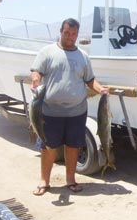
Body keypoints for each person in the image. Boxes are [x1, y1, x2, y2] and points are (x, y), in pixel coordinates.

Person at [30, 18, 108, 196]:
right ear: (61, 31)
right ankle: (44, 181)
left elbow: (90, 80)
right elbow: (36, 71)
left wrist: (100, 89)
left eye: (73, 34)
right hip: (49, 111)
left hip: (76, 111)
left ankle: (70, 179)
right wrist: (35, 79)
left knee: (73, 146)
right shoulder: (47, 52)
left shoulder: (83, 56)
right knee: (48, 147)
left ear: (77, 34)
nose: (70, 37)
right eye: (67, 33)